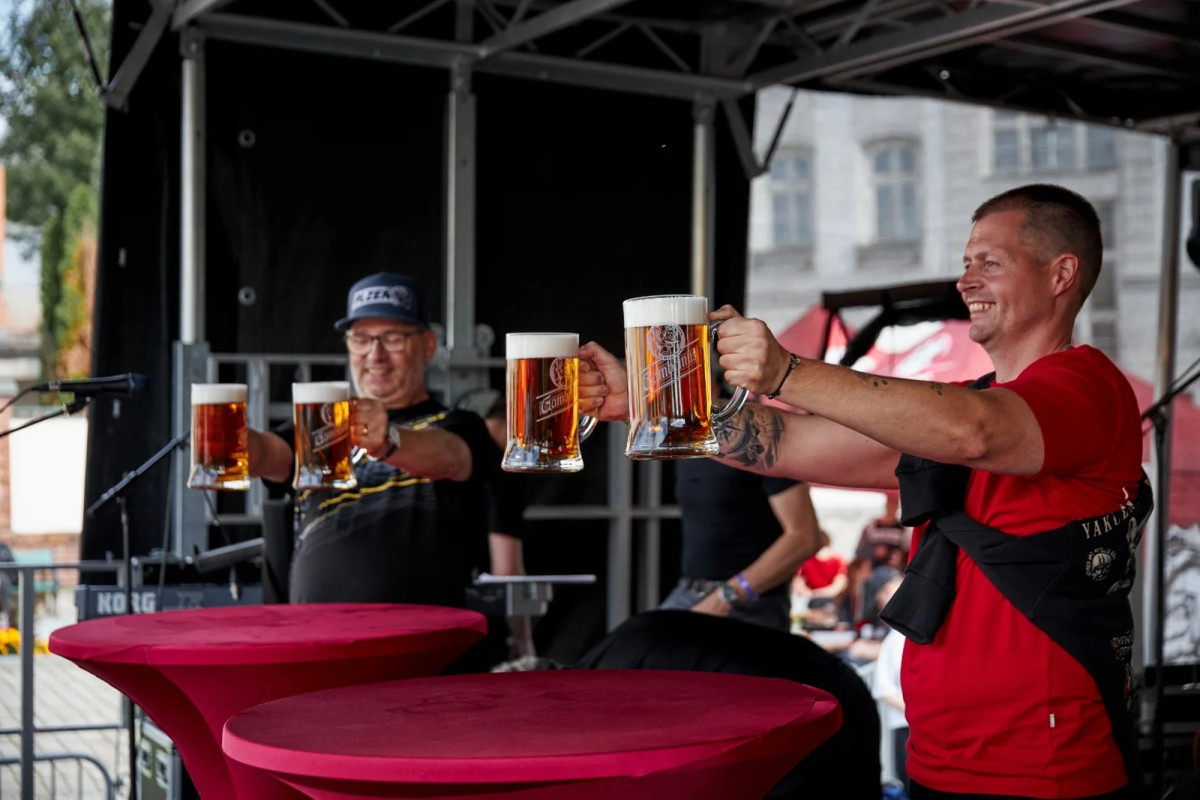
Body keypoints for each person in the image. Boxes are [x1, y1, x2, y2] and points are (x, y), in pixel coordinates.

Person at [578, 184, 1151, 800]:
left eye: (990, 262)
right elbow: (789, 443)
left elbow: (974, 432)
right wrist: (649, 405)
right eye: (965, 263)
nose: (966, 281)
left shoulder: (1085, 387)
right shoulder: (964, 409)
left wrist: (787, 371)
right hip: (938, 757)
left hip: (1046, 769)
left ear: (1061, 274)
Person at [246, 272, 504, 666]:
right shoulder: (321, 429)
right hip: (316, 652)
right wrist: (231, 441)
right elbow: (269, 453)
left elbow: (449, 455)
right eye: (361, 339)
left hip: (424, 654)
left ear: (428, 346)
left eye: (393, 338)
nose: (375, 354)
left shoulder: (459, 425)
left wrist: (389, 441)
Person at [662, 456, 819, 631]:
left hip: (749, 603)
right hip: (690, 591)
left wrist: (727, 595)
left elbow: (804, 538)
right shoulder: (690, 452)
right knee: (643, 641)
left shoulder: (760, 448)